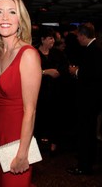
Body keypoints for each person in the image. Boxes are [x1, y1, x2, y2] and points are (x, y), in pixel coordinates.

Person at [0, 0, 42, 187]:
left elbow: (30, 110)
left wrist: (23, 152)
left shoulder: (28, 54)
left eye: (12, 12)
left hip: (16, 137)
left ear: (21, 18)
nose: (5, 18)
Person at [67, 22, 102, 175]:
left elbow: (92, 75)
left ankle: (84, 165)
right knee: (88, 132)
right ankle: (87, 160)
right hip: (94, 99)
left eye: (78, 36)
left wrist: (76, 72)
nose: (77, 39)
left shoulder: (93, 50)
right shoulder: (96, 48)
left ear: (83, 36)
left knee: (86, 133)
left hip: (89, 100)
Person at [34, 26, 69, 155]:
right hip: (39, 93)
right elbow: (29, 72)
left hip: (56, 92)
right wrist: (45, 72)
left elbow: (65, 69)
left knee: (55, 118)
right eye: (50, 38)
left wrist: (59, 72)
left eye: (53, 38)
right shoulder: (33, 53)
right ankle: (36, 145)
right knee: (38, 119)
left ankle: (54, 144)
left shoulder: (58, 54)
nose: (52, 41)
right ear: (42, 39)